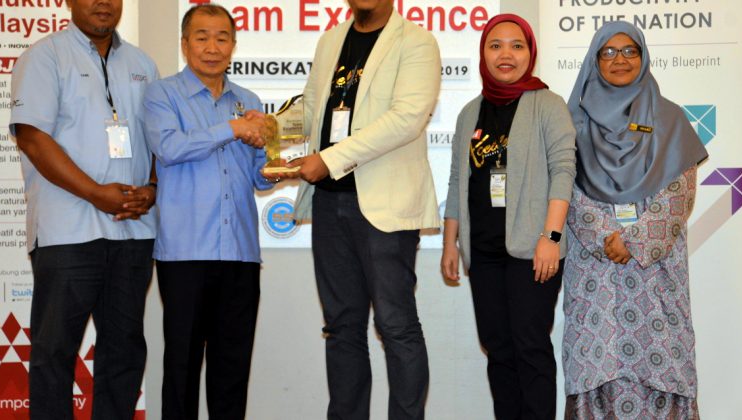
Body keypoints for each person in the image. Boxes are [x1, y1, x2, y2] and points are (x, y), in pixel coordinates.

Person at [264, 0, 441, 418]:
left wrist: (329, 158)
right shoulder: (331, 40)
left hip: (384, 209)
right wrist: (270, 127)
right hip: (329, 203)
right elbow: (312, 109)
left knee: (396, 326)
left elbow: (406, 118)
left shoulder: (417, 42)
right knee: (342, 327)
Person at [9, 0, 158, 418]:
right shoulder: (45, 56)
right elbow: (32, 138)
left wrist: (152, 188)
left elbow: (160, 140)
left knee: (124, 354)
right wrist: (95, 193)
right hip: (68, 232)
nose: (103, 2)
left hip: (132, 232)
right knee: (55, 354)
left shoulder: (143, 64)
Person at [562, 21, 708, 419]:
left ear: (643, 58)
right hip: (595, 272)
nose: (620, 59)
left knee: (663, 362)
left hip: (656, 272)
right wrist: (605, 236)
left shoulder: (670, 118)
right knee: (597, 360)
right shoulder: (572, 122)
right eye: (608, 52)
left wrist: (635, 241)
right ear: (594, 60)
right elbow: (564, 187)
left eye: (630, 50)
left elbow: (679, 192)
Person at [440, 14, 576, 419]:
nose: (506, 54)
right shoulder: (470, 113)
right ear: (483, 52)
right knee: (498, 350)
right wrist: (451, 243)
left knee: (530, 347)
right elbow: (457, 180)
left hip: (533, 250)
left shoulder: (548, 105)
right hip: (482, 252)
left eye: (517, 45)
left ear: (530, 53)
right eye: (495, 45)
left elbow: (563, 172)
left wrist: (551, 237)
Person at [141, 4, 271, 419]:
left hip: (240, 253)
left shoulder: (249, 101)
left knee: (232, 369)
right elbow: (170, 148)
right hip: (185, 253)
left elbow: (261, 179)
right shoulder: (162, 95)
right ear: (185, 44)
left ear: (233, 45)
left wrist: (272, 152)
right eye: (202, 37)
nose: (212, 47)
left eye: (221, 38)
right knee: (182, 367)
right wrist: (233, 129)